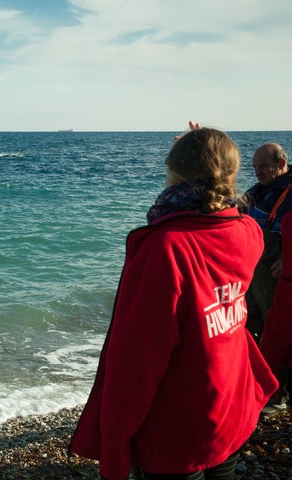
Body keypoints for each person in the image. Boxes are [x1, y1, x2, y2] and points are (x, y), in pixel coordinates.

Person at [69, 126, 278, 480]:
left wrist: (115, 448)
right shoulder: (245, 232)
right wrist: (202, 151)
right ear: (230, 174)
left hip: (178, 429)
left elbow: (136, 362)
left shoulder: (165, 248)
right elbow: (230, 209)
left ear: (174, 172)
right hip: (229, 405)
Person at [241, 142, 291, 342]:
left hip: (276, 278)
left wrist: (286, 257)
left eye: (262, 166)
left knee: (277, 333)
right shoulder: (257, 191)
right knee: (251, 327)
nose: (257, 172)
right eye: (254, 167)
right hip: (252, 275)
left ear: (281, 163)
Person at [259, 212, 292, 417]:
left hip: (288, 287)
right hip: (285, 284)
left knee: (275, 343)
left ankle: (275, 393)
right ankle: (275, 392)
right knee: (273, 341)